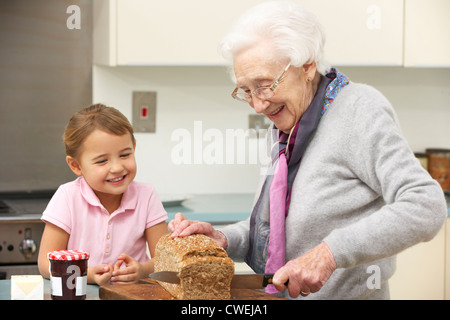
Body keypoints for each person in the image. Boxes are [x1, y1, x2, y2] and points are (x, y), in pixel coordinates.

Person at [169, 1, 447, 299]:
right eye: (246, 90)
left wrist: (330, 254)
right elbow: (276, 231)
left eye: (265, 84)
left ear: (307, 65)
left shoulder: (358, 109)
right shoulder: (284, 128)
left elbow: (426, 205)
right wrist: (222, 238)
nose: (258, 104)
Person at [38, 104, 168, 286]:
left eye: (124, 155)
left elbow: (166, 261)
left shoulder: (146, 196)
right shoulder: (67, 197)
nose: (117, 168)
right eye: (102, 161)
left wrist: (142, 270)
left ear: (134, 147)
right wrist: (86, 274)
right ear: (76, 165)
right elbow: (46, 263)